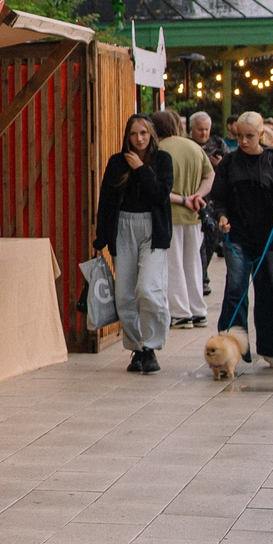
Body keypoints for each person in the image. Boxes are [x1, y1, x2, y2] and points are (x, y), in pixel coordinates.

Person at [211, 111, 273, 364]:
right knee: (235, 290)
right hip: (237, 236)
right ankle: (231, 349)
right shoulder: (228, 163)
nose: (244, 141)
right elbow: (218, 199)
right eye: (239, 136)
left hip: (270, 238)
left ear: (261, 135)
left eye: (249, 136)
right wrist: (221, 216)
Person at [97, 114, 173, 374]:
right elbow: (106, 201)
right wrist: (100, 238)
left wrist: (140, 168)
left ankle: (151, 345)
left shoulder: (162, 160)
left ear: (151, 134)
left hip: (153, 229)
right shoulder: (117, 162)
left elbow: (161, 194)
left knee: (148, 289)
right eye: (133, 134)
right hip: (123, 227)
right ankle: (137, 348)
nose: (139, 138)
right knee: (124, 295)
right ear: (127, 136)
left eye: (143, 133)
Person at [152, 108, 214, 329]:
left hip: (169, 214)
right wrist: (198, 195)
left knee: (173, 264)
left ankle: (180, 312)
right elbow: (210, 175)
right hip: (194, 215)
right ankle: (198, 310)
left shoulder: (158, 151)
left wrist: (183, 199)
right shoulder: (194, 147)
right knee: (193, 263)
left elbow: (156, 188)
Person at [189, 110, 223, 296]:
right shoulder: (187, 145)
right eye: (200, 129)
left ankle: (203, 274)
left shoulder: (217, 145)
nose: (203, 133)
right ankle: (202, 279)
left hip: (213, 199)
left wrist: (219, 164)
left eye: (206, 129)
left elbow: (228, 166)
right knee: (198, 242)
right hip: (193, 198)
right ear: (191, 129)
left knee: (211, 238)